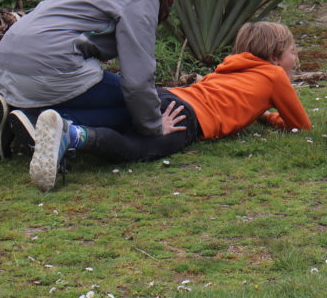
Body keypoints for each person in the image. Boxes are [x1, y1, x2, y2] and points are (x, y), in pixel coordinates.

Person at [26, 21, 312, 191]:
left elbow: (233, 97)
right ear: (275, 57)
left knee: (120, 119)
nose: (295, 59)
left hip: (169, 95)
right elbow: (300, 124)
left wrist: (259, 113)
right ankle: (74, 135)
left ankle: (34, 120)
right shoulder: (275, 75)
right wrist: (270, 118)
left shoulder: (231, 67)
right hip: (185, 117)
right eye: (292, 52)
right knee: (137, 148)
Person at [0, 0, 187, 161]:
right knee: (135, 110)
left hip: (7, 61)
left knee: (133, 101)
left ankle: (12, 119)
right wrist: (155, 126)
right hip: (50, 66)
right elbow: (137, 83)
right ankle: (39, 121)